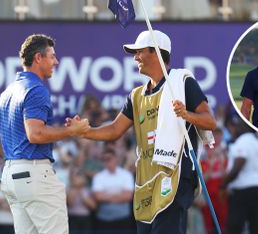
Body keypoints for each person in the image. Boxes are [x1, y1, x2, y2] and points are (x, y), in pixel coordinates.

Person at [70, 30, 216, 234]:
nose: (135, 57)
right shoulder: (136, 95)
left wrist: (186, 114)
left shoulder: (181, 83)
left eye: (139, 52)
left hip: (174, 175)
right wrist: (85, 132)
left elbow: (210, 122)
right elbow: (114, 130)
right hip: (146, 180)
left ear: (156, 52)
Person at [0, 34, 90, 234]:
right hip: (34, 177)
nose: (56, 62)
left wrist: (14, 162)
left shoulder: (8, 91)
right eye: (52, 56)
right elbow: (36, 134)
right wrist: (72, 130)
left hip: (12, 176)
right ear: (38, 58)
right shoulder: (36, 89)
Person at [220, 123, 258, 234]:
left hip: (242, 191)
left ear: (242, 127)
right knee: (257, 227)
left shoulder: (242, 142)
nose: (233, 129)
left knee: (234, 228)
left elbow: (240, 163)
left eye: (235, 126)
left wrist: (223, 185)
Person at [91, 148, 135, 233]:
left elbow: (128, 196)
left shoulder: (126, 175)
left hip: (123, 219)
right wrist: (119, 195)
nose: (107, 161)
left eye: (109, 158)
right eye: (104, 159)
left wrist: (106, 195)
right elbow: (98, 197)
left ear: (115, 159)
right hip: (103, 220)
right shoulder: (98, 176)